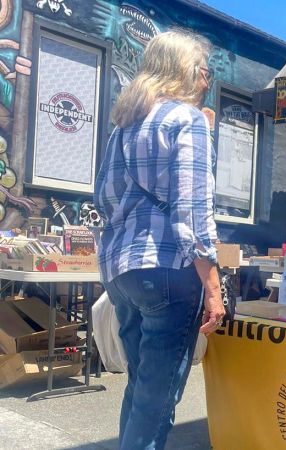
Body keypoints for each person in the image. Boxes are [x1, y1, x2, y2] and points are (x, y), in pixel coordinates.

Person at [94, 30, 224, 450]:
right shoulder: (188, 120)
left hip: (122, 271)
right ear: (186, 71)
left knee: (141, 389)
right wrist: (213, 284)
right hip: (169, 270)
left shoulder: (123, 127)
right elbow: (192, 209)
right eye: (204, 72)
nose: (207, 82)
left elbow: (105, 199)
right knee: (158, 400)